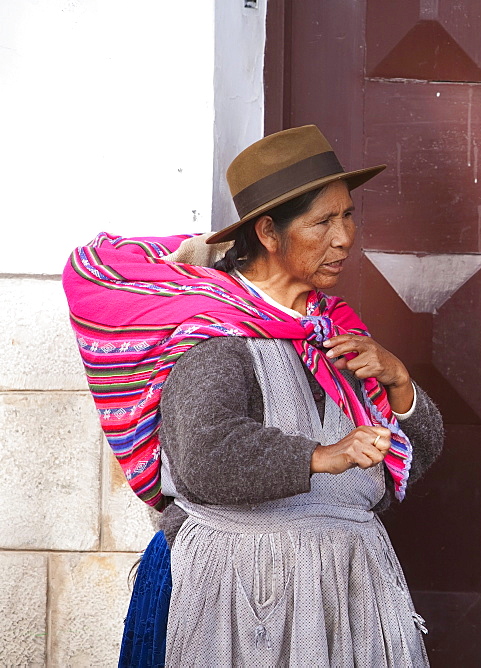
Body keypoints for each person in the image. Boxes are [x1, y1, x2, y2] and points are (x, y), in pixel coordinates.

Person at [64, 125, 443, 666]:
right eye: (323, 222)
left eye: (348, 215)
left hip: (348, 595)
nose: (345, 238)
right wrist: (321, 456)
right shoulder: (215, 333)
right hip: (246, 598)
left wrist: (399, 380)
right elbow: (204, 456)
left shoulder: (331, 329)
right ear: (268, 232)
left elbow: (410, 458)